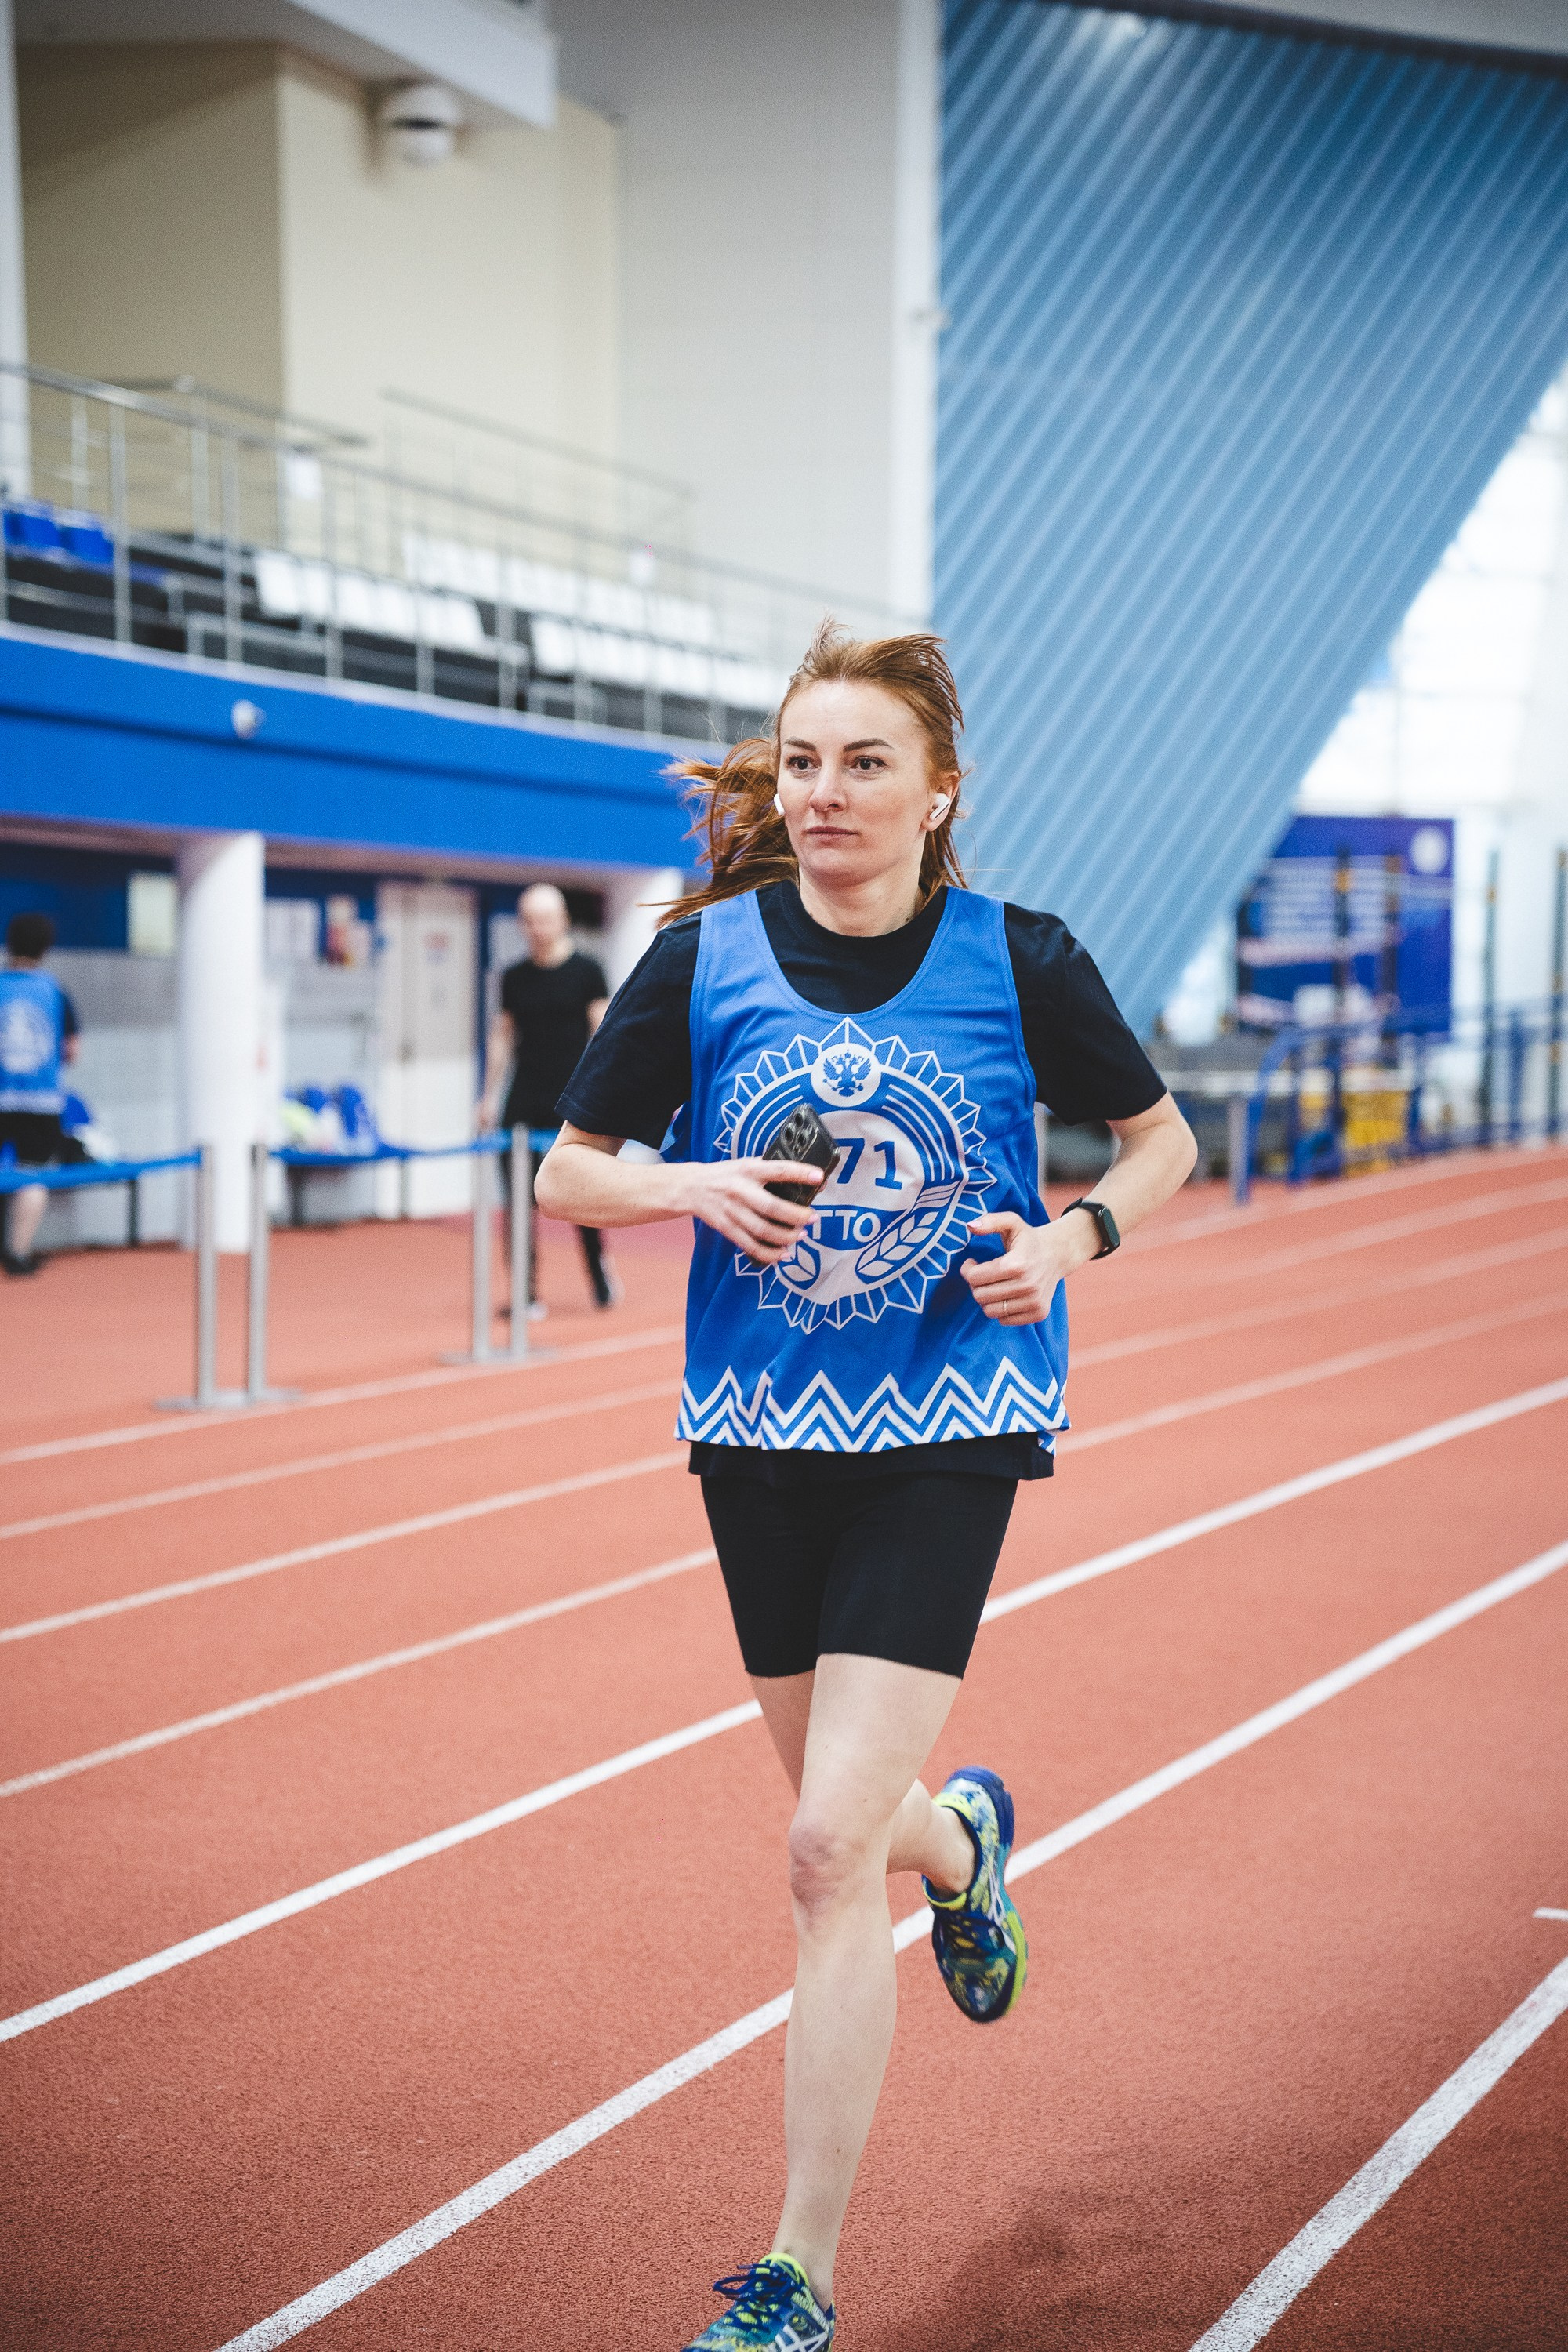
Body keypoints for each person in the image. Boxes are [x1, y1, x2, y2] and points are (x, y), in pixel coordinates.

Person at [537, 622, 1196, 2352]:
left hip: (950, 1418)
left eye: (865, 764)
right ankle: (965, 1844)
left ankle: (796, 2278)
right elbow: (565, 1171)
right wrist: (690, 1189)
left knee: (825, 1847)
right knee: (867, 1825)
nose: (826, 793)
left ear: (936, 791)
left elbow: (1162, 1137)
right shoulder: (699, 962)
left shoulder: (1016, 958)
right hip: (756, 1428)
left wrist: (1069, 1240)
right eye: (804, 760)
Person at [478, 882, 618, 1314]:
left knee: (579, 1195)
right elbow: (502, 1037)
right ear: (523, 925)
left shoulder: (587, 970)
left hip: (572, 1101)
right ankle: (525, 1292)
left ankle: (599, 1275)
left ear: (562, 921)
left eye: (546, 919)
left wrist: (606, 1091)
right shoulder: (513, 977)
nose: (539, 929)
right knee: (518, 1202)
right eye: (531, 921)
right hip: (523, 1100)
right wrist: (487, 1096)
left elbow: (603, 1033)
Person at [0, 911, 82, 1278]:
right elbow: (71, 1051)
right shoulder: (55, 991)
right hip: (41, 1101)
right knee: (33, 1175)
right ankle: (18, 1254)